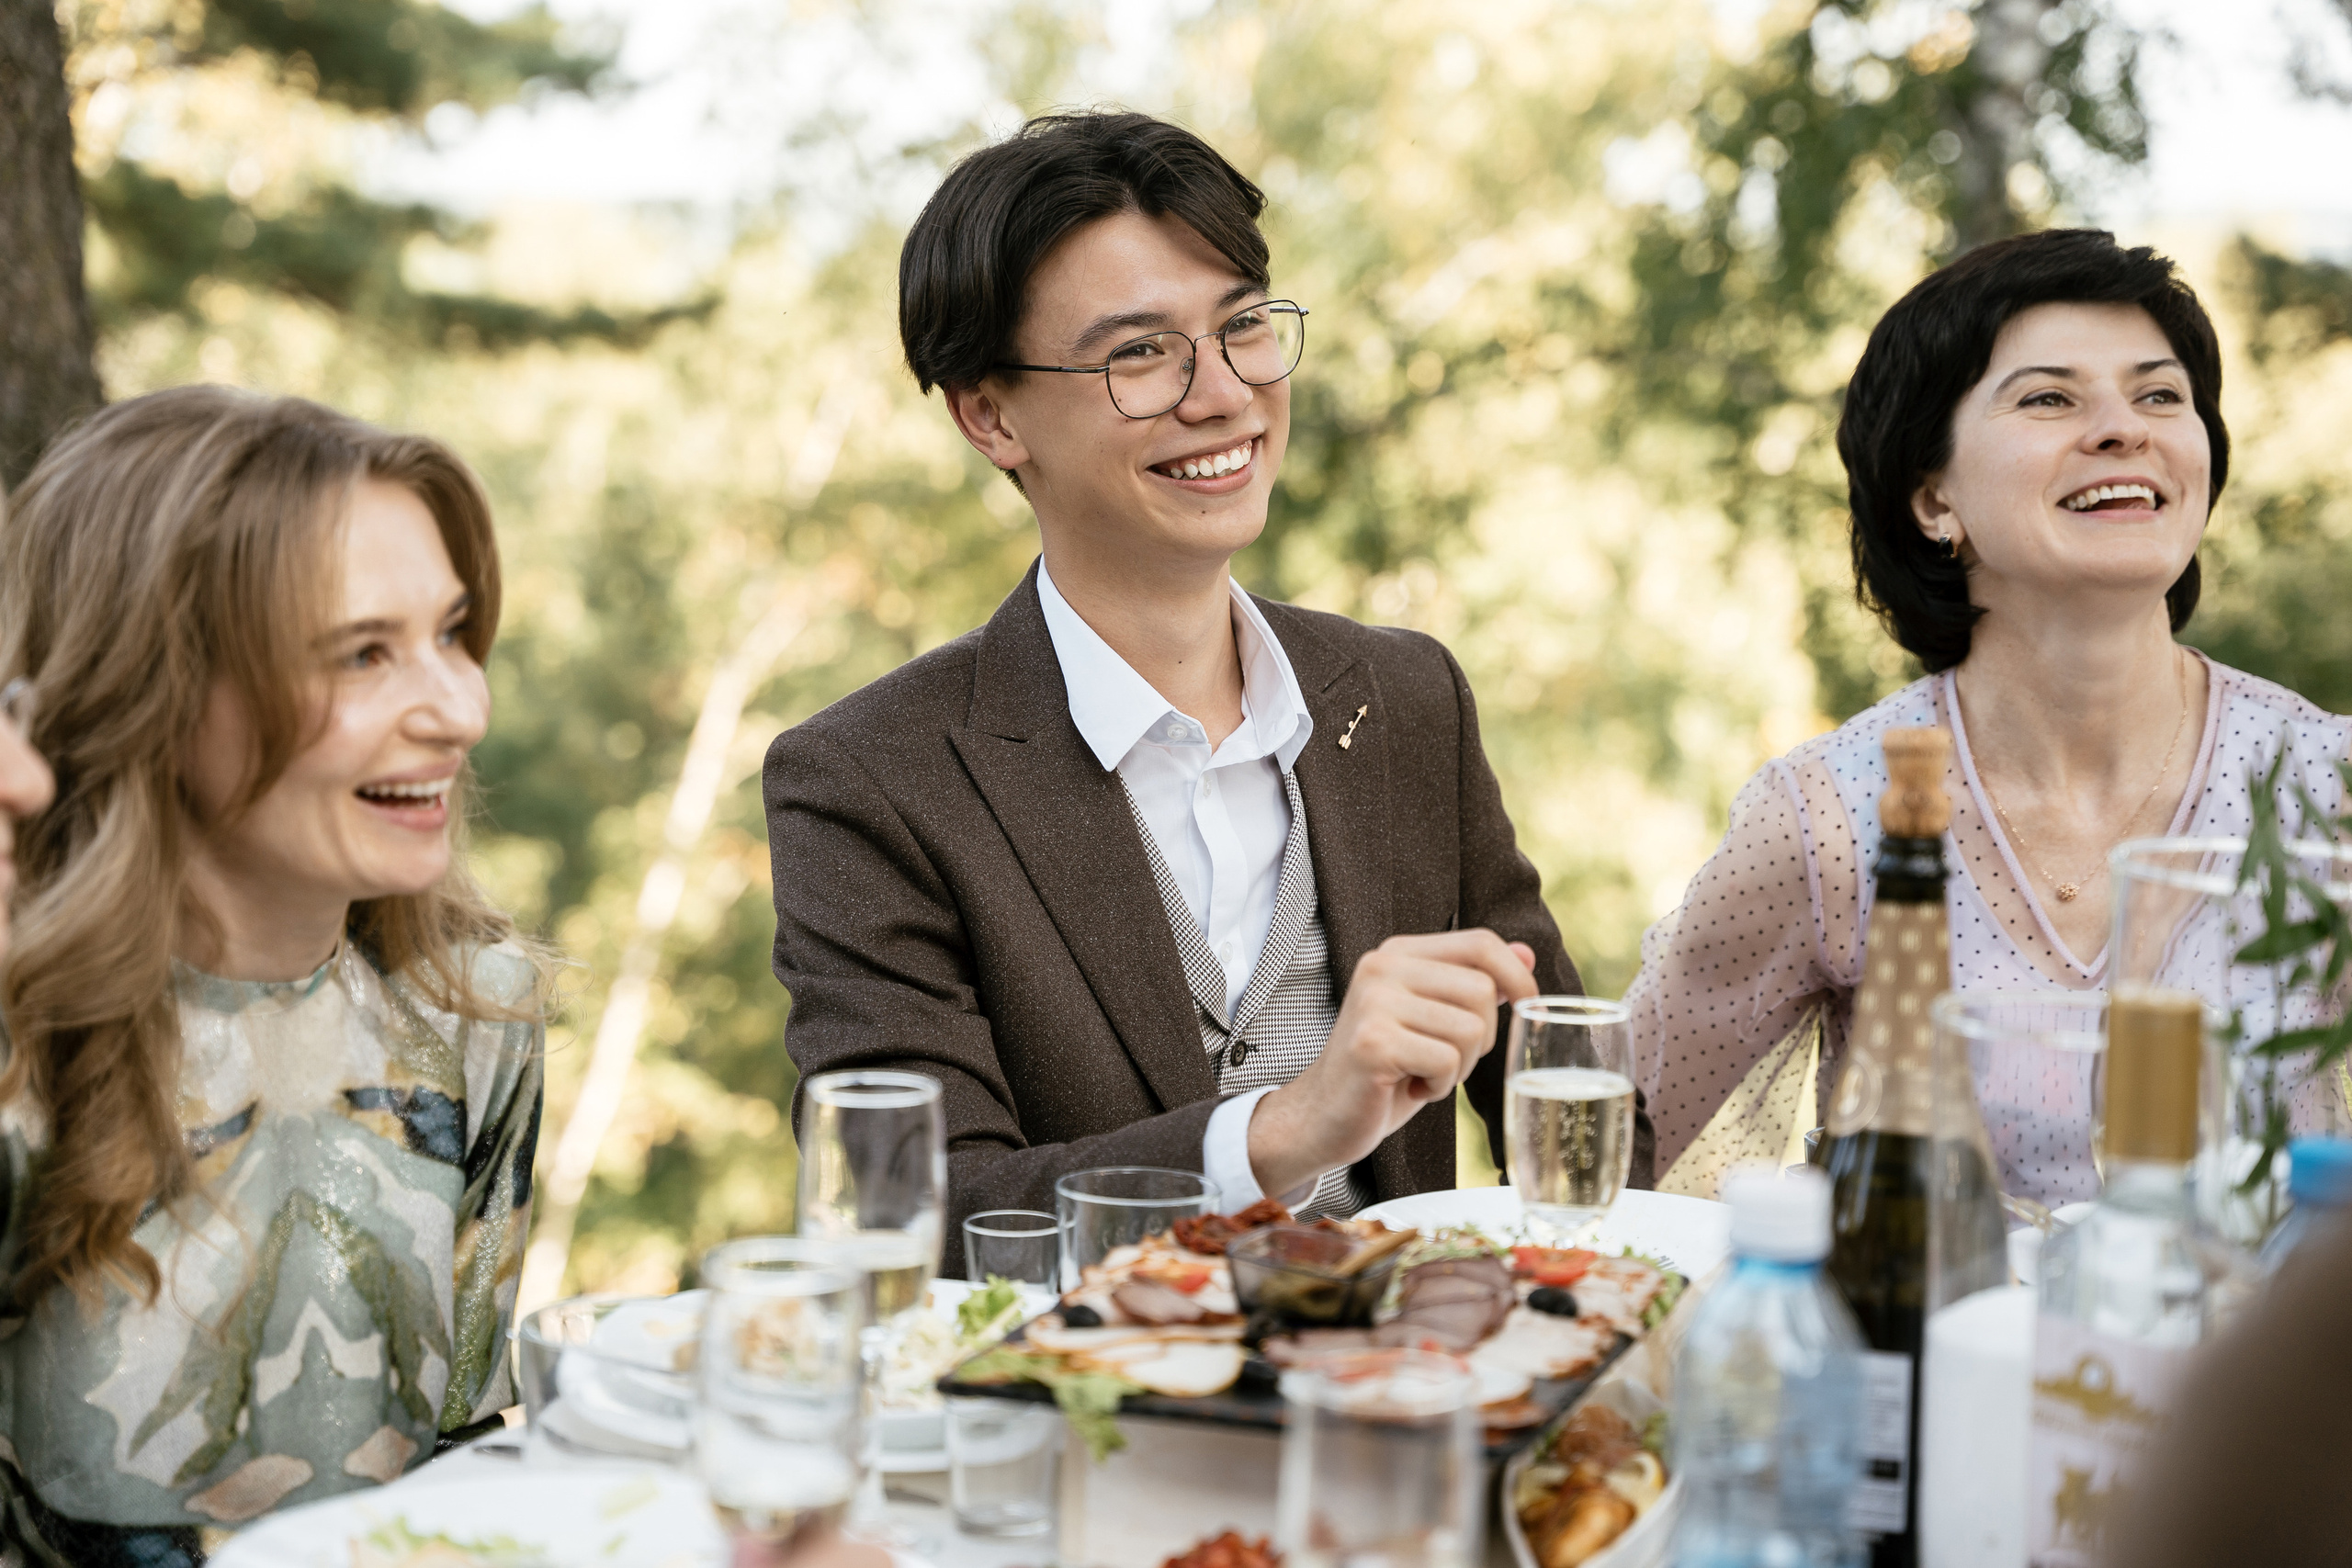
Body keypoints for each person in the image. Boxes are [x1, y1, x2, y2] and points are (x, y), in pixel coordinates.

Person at [764, 111, 1648, 1269]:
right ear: (990, 415)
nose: (1224, 394)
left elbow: (1574, 1091)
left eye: (1242, 327)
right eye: (1141, 353)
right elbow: (912, 1218)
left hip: (1409, 1369)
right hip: (1078, 1383)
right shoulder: (867, 779)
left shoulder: (1406, 701)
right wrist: (1280, 1131)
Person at [1632, 228, 2350, 1203]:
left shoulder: (2328, 791)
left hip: (2264, 1313)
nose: (2123, 429)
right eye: (2050, 398)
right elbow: (1611, 1158)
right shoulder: (1827, 821)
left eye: (2159, 395)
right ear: (1933, 497)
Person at [0, 387, 549, 1564]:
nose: (462, 708)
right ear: (152, 683)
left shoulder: (477, 1009)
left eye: (453, 633)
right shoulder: (18, 1050)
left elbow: (464, 1452)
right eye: (362, 654)